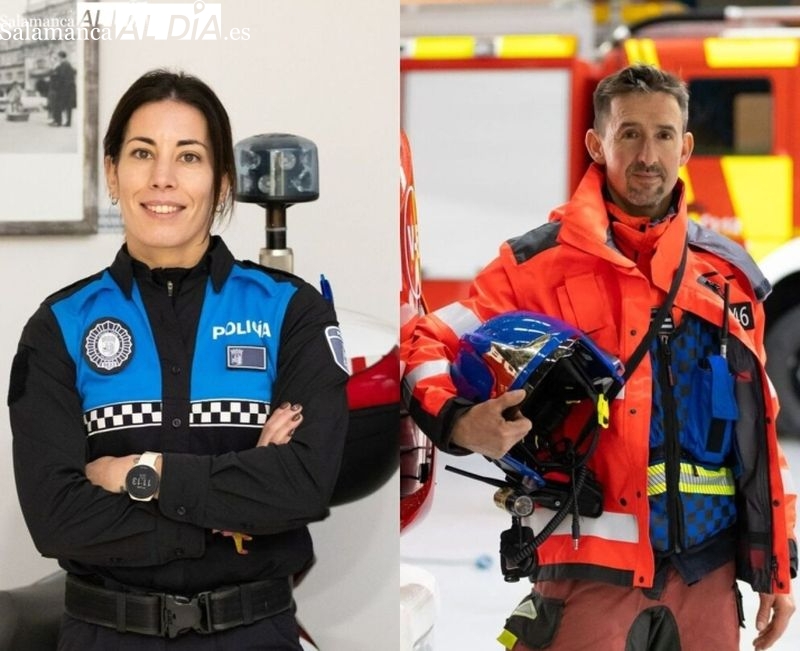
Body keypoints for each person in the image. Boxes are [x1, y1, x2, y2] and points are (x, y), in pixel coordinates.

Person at [402, 64, 796, 650]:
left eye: (664, 135)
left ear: (686, 147)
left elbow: (758, 429)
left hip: (707, 584)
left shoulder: (727, 278)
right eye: (629, 133)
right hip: (586, 579)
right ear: (597, 143)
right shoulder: (534, 265)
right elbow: (423, 344)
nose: (648, 154)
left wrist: (778, 569)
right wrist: (460, 421)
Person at [8, 69, 349, 649]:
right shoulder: (59, 326)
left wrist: (136, 475)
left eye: (188, 157)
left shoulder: (291, 311)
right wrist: (231, 516)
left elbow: (303, 487)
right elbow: (57, 517)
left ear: (221, 183)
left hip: (254, 634)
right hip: (106, 637)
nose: (162, 178)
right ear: (113, 173)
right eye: (143, 153)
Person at [48, 50, 76, 127]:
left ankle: (59, 122)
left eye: (58, 57)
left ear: (61, 57)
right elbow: (73, 73)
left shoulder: (63, 65)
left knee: (59, 105)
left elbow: (61, 77)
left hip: (64, 89)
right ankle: (68, 122)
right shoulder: (68, 65)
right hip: (69, 88)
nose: (58, 59)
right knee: (68, 107)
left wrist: (57, 86)